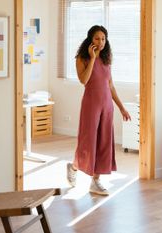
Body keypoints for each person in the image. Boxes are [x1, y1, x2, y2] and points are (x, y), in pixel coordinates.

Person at [67, 25, 131, 196]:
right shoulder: (82, 58)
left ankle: (96, 181)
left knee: (104, 142)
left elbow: (110, 85)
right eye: (97, 38)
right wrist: (92, 58)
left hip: (106, 105)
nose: (101, 42)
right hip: (91, 105)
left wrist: (121, 107)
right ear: (90, 39)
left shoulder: (107, 57)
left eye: (103, 39)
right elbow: (84, 80)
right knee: (87, 142)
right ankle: (73, 166)